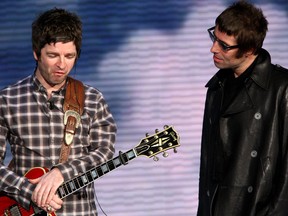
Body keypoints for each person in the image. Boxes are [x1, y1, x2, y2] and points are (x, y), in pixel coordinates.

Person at [0, 8, 117, 215]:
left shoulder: (92, 99)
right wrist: (30, 192)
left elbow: (104, 152)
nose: (62, 64)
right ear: (36, 53)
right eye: (53, 55)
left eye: (69, 56)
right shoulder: (7, 100)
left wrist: (62, 172)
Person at [197, 1, 288, 215]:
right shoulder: (216, 87)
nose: (213, 48)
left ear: (249, 49)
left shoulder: (282, 89)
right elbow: (210, 169)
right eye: (214, 37)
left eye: (224, 45)